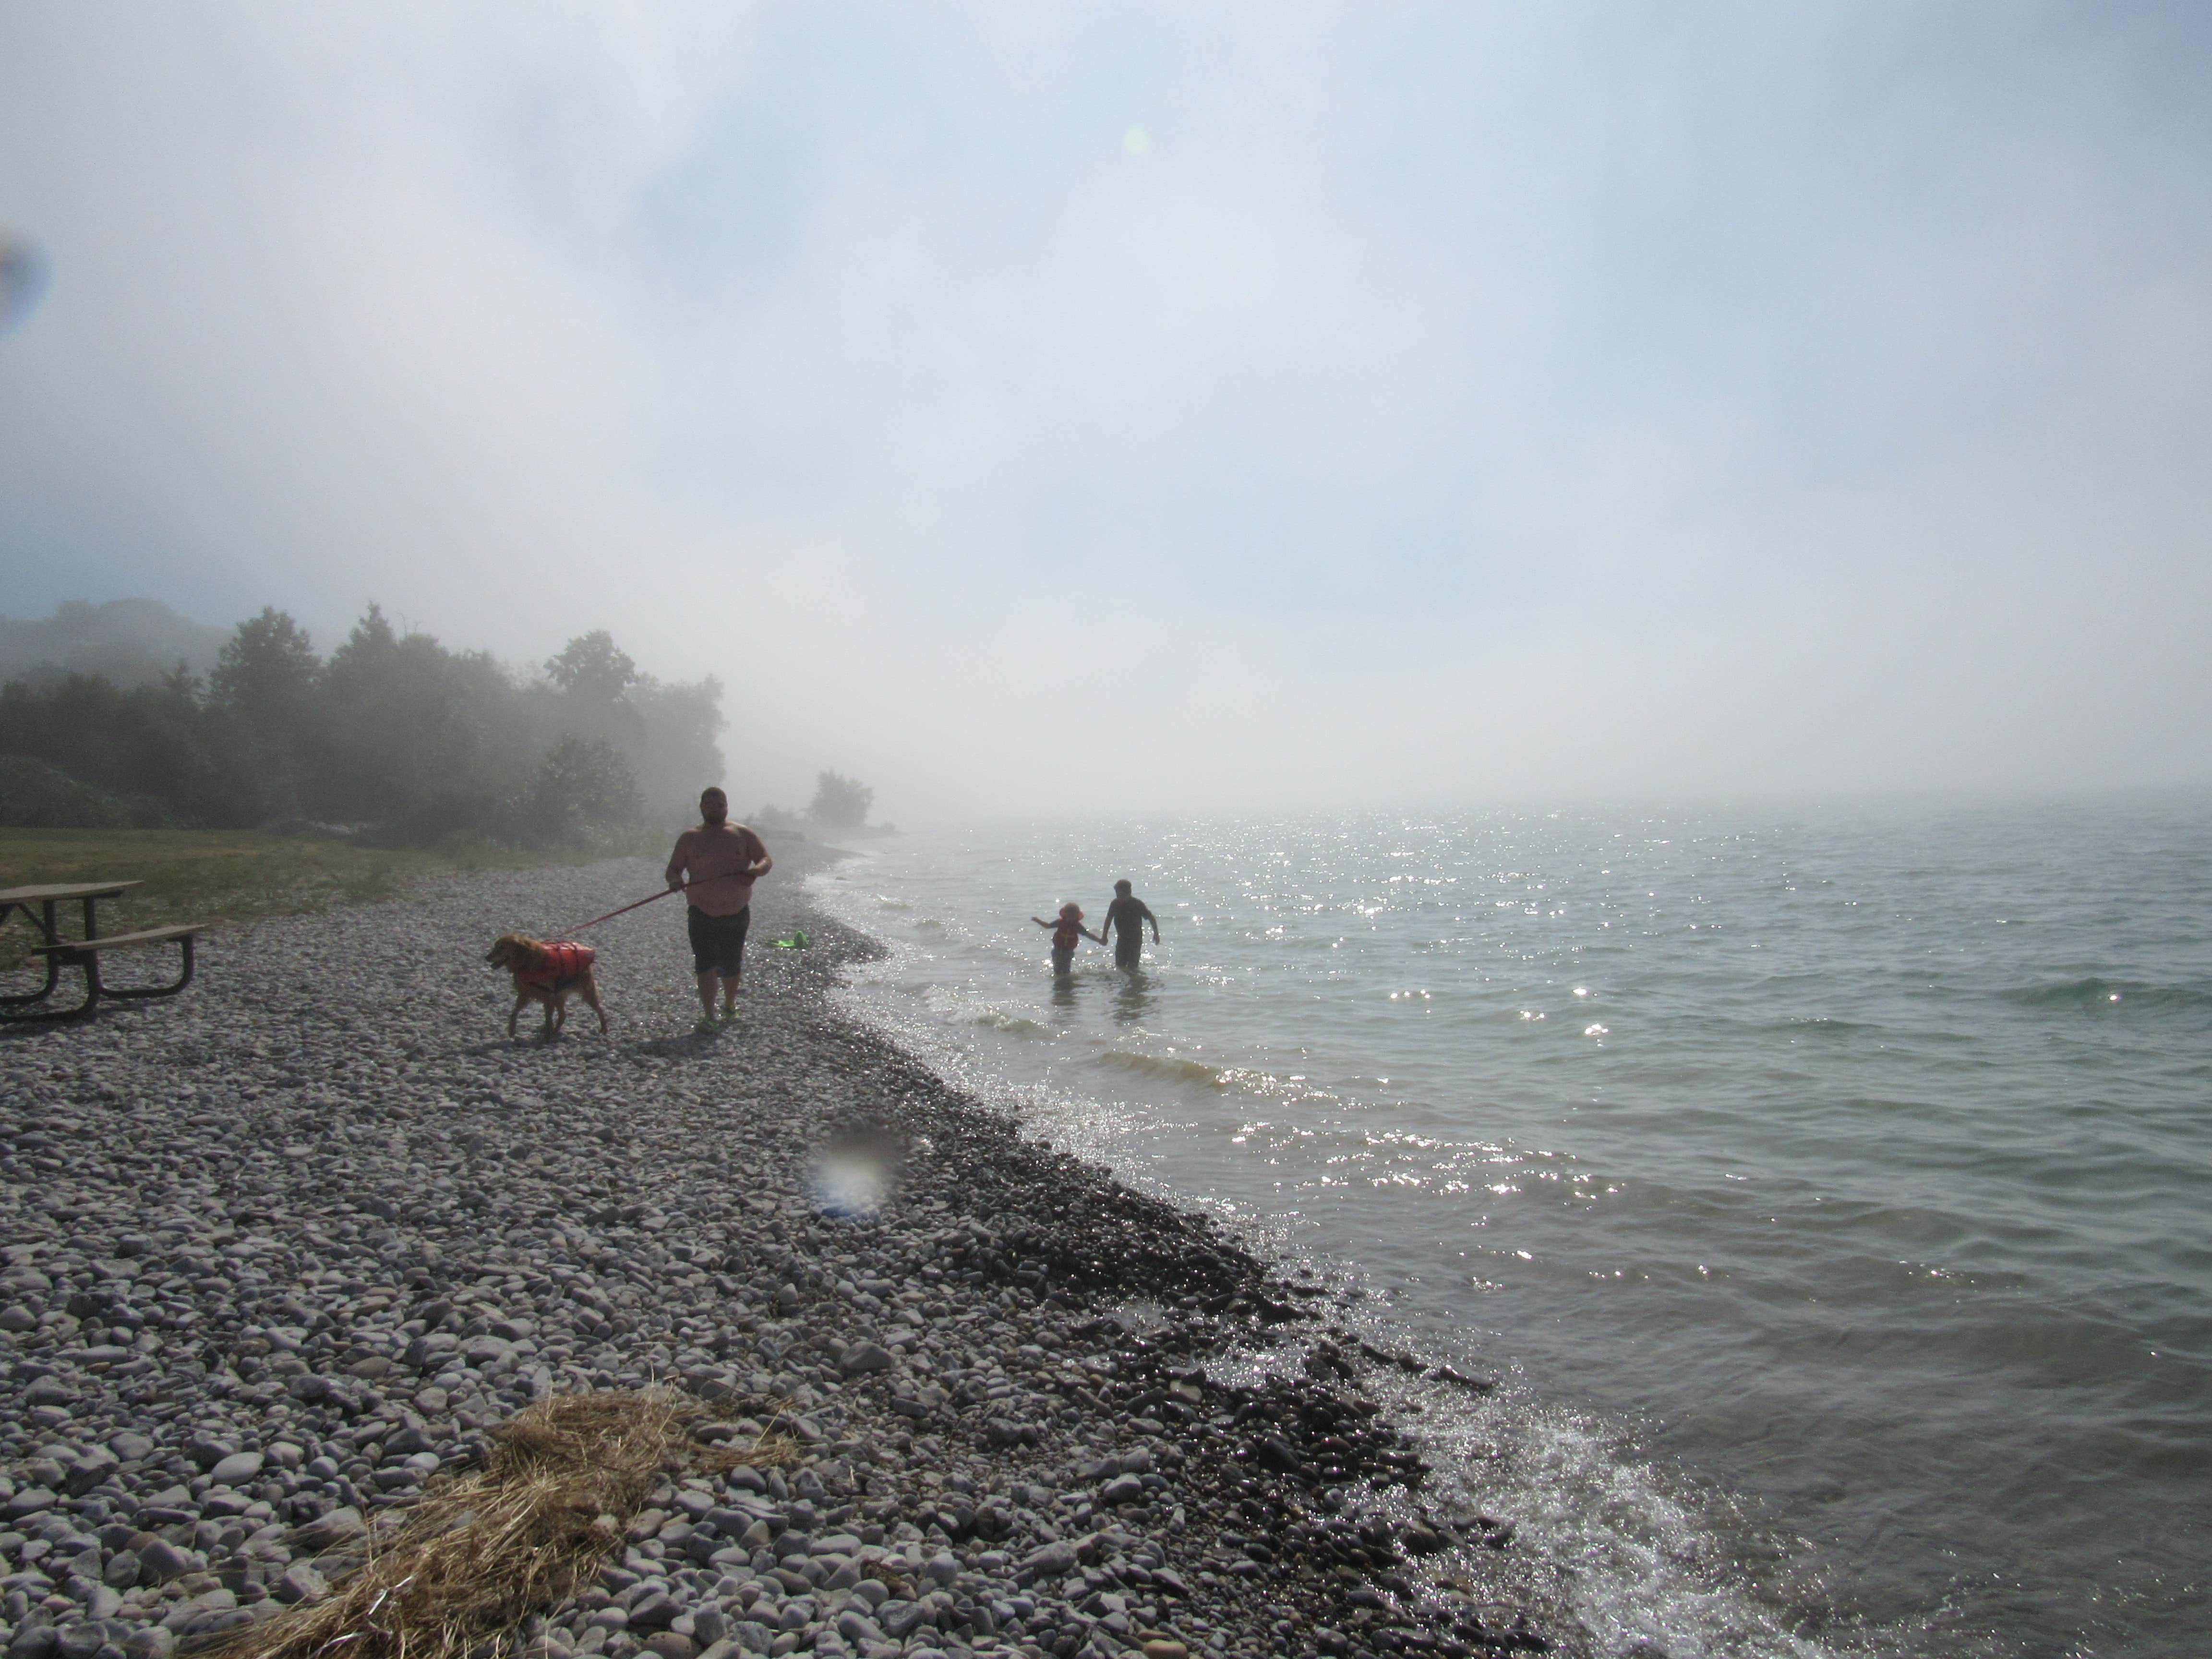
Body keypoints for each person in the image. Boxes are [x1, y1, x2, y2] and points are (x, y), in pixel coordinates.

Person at [666, 787, 772, 1028]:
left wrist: (756, 871)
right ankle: (709, 1015)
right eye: (710, 805)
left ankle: (730, 1004)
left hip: (736, 910)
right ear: (702, 807)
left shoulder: (742, 834)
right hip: (700, 910)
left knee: (732, 962)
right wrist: (674, 881)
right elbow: (673, 869)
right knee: (705, 963)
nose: (715, 809)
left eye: (720, 805)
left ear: (727, 806)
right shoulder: (689, 838)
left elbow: (766, 859)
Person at [1100, 878, 1160, 970]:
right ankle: (1123, 982)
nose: (1118, 896)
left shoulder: (1137, 904)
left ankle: (1134, 981)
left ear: (1129, 892)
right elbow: (1108, 920)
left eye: (1120, 894)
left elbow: (1151, 918)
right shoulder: (1115, 904)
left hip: (1135, 938)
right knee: (1120, 966)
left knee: (1133, 965)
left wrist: (1156, 934)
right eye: (1117, 894)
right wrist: (1104, 936)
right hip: (1122, 938)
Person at [1031, 902, 1102, 975]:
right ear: (1065, 914)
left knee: (1066, 970)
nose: (1071, 917)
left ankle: (1066, 983)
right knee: (1057, 970)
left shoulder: (1077, 926)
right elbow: (1048, 926)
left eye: (1074, 915)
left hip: (1068, 951)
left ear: (1077, 915)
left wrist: (1100, 940)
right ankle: (1059, 982)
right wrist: (1037, 920)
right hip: (1057, 950)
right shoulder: (1060, 922)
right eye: (1069, 915)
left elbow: (1088, 935)